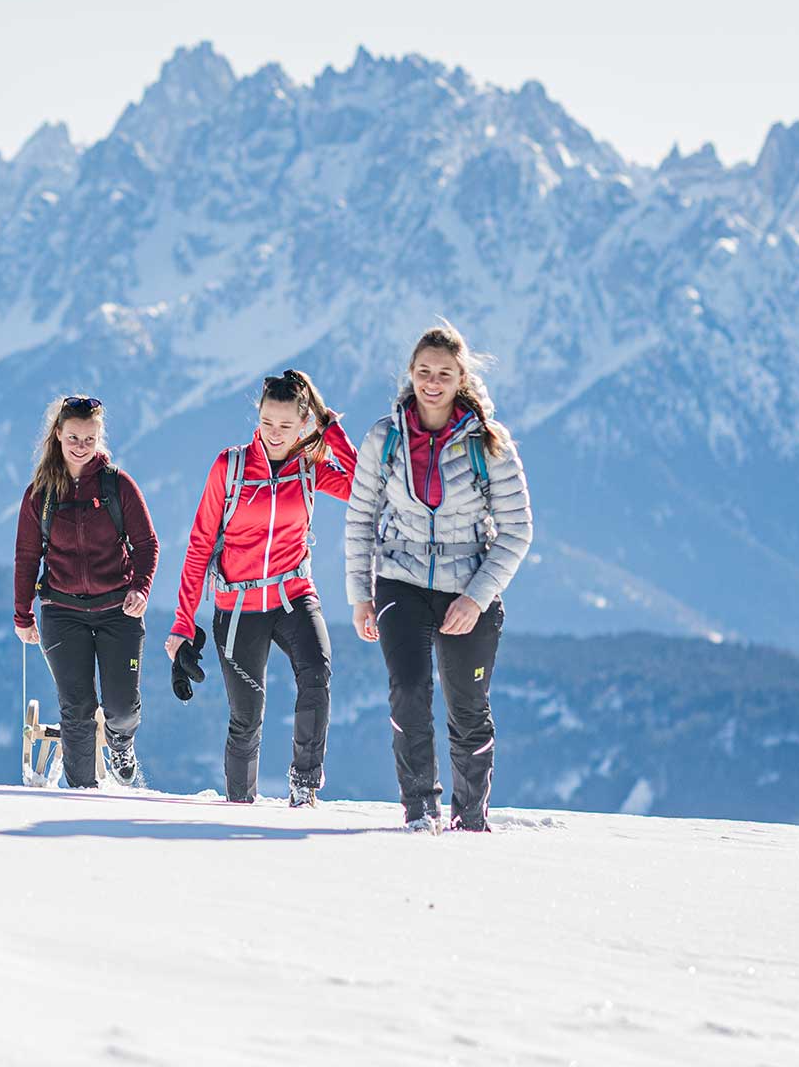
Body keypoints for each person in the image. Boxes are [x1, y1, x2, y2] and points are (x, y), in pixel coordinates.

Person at [344, 324, 532, 832]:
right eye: (424, 371)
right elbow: (361, 519)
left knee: (467, 706)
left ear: (460, 377)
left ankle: (470, 816)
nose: (432, 381)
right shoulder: (384, 439)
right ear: (410, 373)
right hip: (400, 581)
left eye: (444, 373)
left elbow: (517, 531)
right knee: (408, 689)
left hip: (469, 585)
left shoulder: (488, 443)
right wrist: (361, 596)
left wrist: (476, 598)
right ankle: (419, 810)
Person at [169, 370, 356, 806]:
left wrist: (330, 426)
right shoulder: (229, 468)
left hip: (294, 596)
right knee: (246, 717)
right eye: (267, 423)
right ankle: (240, 806)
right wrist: (182, 624)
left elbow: (363, 484)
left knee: (316, 675)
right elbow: (198, 546)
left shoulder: (310, 467)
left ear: (303, 424)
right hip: (238, 606)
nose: (274, 434)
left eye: (287, 426)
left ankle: (305, 787)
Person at [13, 394, 160, 788]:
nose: (81, 446)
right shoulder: (40, 494)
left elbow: (146, 544)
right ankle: (82, 794)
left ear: (100, 437)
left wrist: (141, 589)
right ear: (58, 435)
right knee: (76, 709)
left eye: (89, 439)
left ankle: (121, 742)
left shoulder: (118, 486)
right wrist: (22, 615)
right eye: (74, 437)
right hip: (61, 611)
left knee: (121, 707)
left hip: (118, 610)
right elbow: (27, 557)